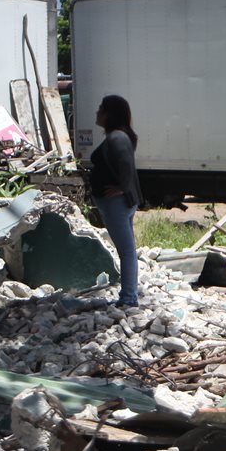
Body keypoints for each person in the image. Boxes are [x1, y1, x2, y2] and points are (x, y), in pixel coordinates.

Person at [90, 95, 143, 307]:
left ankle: (129, 298)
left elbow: (127, 167)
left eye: (101, 108)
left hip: (116, 204)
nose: (97, 112)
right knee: (127, 250)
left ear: (110, 113)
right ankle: (129, 296)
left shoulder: (117, 137)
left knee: (127, 251)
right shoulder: (118, 136)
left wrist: (123, 188)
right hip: (117, 204)